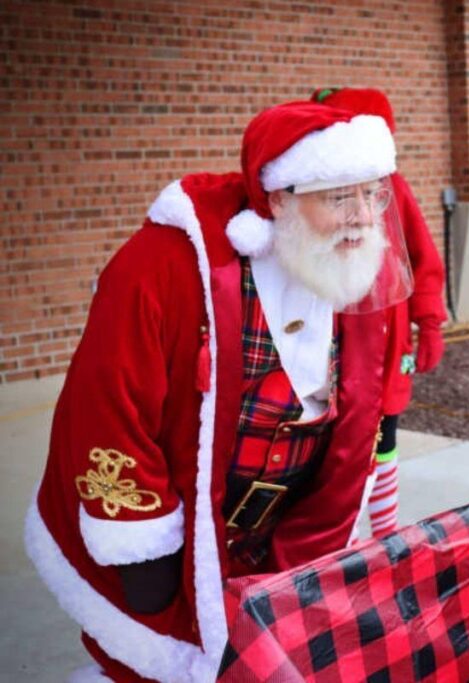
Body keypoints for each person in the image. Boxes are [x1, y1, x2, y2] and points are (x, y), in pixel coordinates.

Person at [24, 100, 413, 682]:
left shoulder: (353, 266)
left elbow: (358, 405)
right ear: (279, 198)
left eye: (373, 193)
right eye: (339, 197)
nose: (363, 215)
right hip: (177, 524)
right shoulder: (163, 267)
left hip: (273, 534)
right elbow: (104, 403)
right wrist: (143, 540)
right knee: (153, 662)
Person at [311, 87, 447, 538]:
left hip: (386, 343)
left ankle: (385, 532)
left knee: (384, 438)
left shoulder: (393, 190)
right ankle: (336, 535)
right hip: (328, 347)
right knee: (332, 449)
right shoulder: (316, 194)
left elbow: (424, 259)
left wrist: (429, 323)